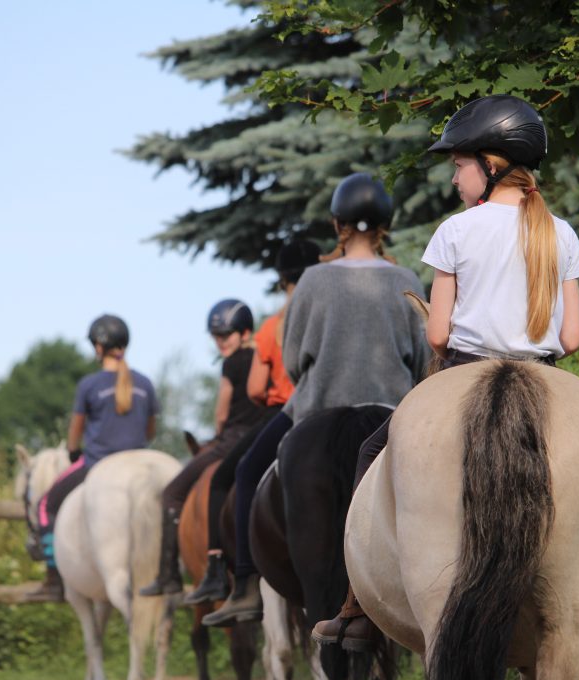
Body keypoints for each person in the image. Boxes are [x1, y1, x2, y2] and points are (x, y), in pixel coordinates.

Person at [310, 95, 579, 673]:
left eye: (459, 164)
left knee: (371, 450)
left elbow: (439, 334)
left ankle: (353, 604)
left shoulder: (456, 231)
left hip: (464, 367)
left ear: (491, 165)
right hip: (545, 371)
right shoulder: (561, 234)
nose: (455, 176)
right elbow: (571, 338)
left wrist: (442, 321)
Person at [202, 172, 429, 627]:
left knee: (245, 472)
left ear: (337, 224)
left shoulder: (312, 280)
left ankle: (244, 583)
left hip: (315, 408)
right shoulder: (406, 279)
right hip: (390, 414)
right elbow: (423, 362)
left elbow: (292, 360)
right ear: (385, 223)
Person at [184, 239, 322, 605]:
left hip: (288, 412)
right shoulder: (331, 311)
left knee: (238, 475)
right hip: (335, 406)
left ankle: (238, 577)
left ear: (282, 281)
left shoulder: (273, 327)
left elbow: (257, 390)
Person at [25, 314, 159, 601]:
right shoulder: (145, 384)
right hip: (139, 462)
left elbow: (75, 432)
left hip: (98, 462)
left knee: (46, 504)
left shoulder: (89, 385)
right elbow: (150, 431)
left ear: (99, 347)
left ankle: (53, 578)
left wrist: (74, 453)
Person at [139, 299, 266, 596]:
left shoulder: (231, 363)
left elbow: (222, 412)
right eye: (216, 336)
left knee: (171, 493)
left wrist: (219, 432)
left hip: (232, 440)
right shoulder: (264, 357)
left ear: (245, 332)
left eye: (226, 335)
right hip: (262, 436)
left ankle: (170, 575)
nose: (220, 342)